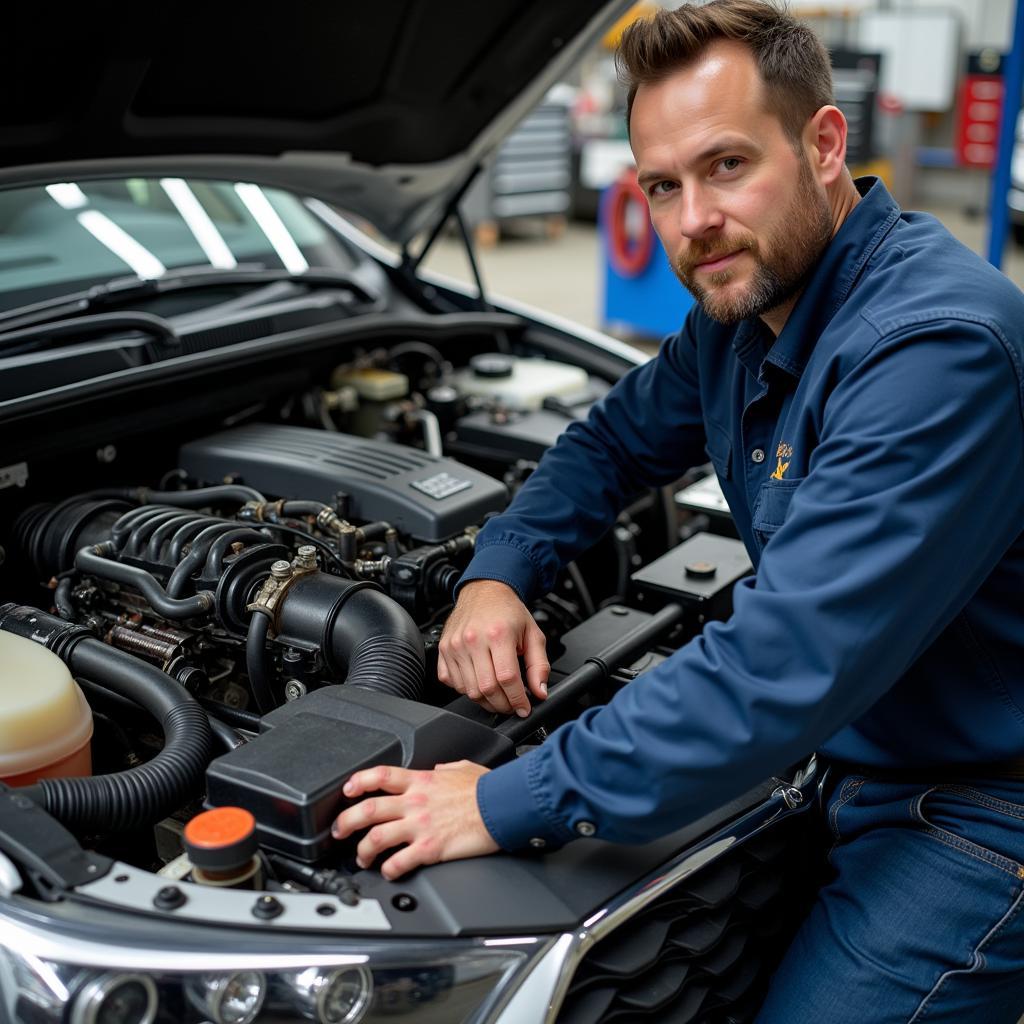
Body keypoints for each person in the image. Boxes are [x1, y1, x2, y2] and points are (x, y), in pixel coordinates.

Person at [332, 2, 1024, 1019]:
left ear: (823, 145)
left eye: (727, 166)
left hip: (978, 803)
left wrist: (501, 797)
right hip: (847, 745)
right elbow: (608, 442)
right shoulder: (744, 315)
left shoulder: (936, 349)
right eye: (663, 184)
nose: (692, 219)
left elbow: (782, 662)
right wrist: (496, 571)